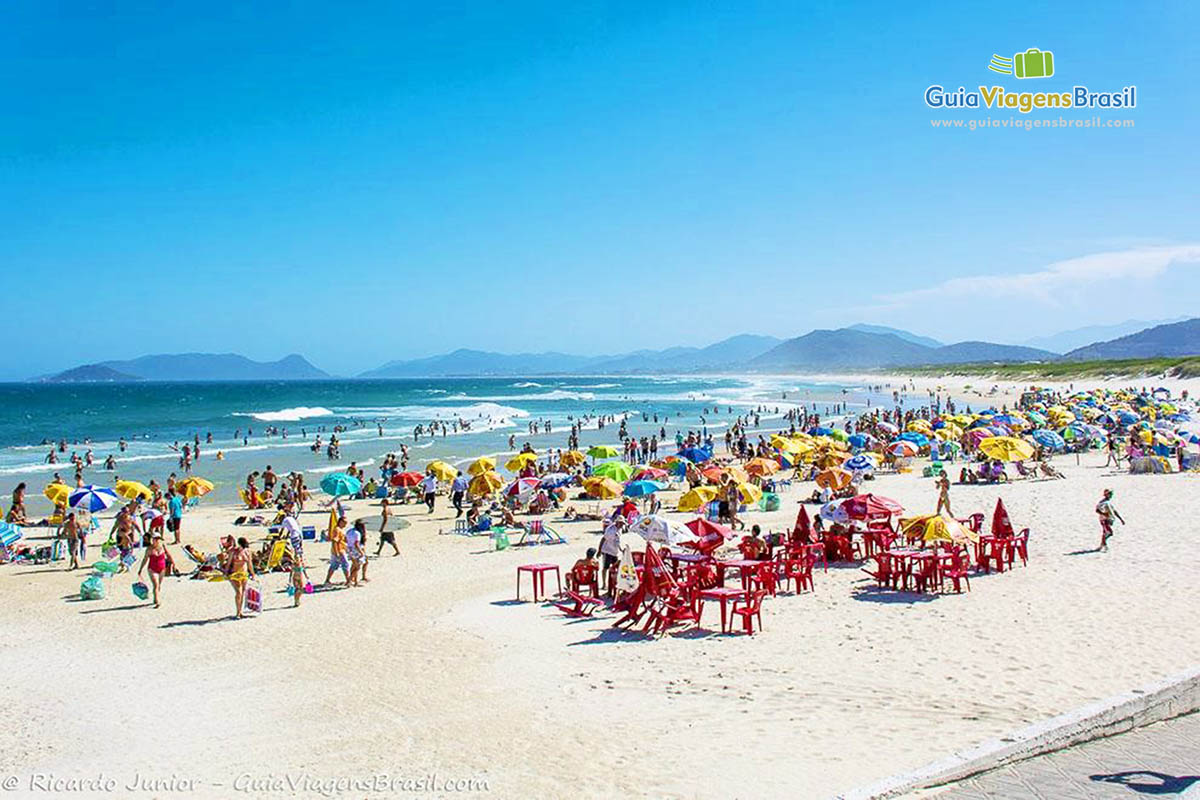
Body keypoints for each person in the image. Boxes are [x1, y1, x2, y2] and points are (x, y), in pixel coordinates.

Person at [281, 505, 307, 607]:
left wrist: (283, 538)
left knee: (296, 549)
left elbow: (284, 530)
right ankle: (297, 601)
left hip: (294, 534)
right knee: (299, 549)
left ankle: (297, 601)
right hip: (299, 533)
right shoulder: (291, 519)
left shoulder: (285, 520)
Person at [137, 535, 173, 608]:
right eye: (155, 539)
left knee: (158, 585)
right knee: (156, 584)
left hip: (162, 568)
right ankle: (157, 601)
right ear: (152, 540)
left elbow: (168, 555)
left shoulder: (163, 546)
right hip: (152, 569)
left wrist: (173, 564)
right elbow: (145, 559)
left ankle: (155, 598)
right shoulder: (149, 549)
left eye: (158, 539)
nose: (157, 541)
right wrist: (140, 569)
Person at [227, 536, 255, 618]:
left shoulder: (247, 552)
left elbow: (249, 564)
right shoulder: (234, 552)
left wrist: (253, 574)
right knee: (238, 592)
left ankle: (239, 612)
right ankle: (238, 613)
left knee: (242, 592)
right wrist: (226, 572)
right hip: (234, 574)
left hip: (244, 574)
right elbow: (229, 562)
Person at [598, 517, 624, 590]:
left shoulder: (620, 530)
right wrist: (599, 551)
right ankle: (604, 584)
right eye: (621, 523)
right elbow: (603, 539)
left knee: (616, 567)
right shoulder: (610, 530)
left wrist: (621, 549)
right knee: (605, 568)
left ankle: (615, 582)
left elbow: (617, 541)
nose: (622, 525)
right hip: (607, 551)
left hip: (615, 551)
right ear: (617, 522)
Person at [324, 515, 350, 585]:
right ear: (340, 522)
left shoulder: (339, 529)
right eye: (344, 522)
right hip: (339, 551)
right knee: (345, 565)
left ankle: (327, 580)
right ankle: (348, 580)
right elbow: (334, 541)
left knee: (333, 566)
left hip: (339, 550)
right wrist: (336, 552)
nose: (345, 524)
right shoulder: (337, 530)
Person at [346, 519, 369, 586]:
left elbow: (346, 539)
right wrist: (361, 552)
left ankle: (355, 581)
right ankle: (349, 580)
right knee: (357, 567)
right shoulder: (357, 533)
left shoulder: (349, 531)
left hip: (350, 549)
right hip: (356, 550)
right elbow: (356, 544)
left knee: (354, 565)